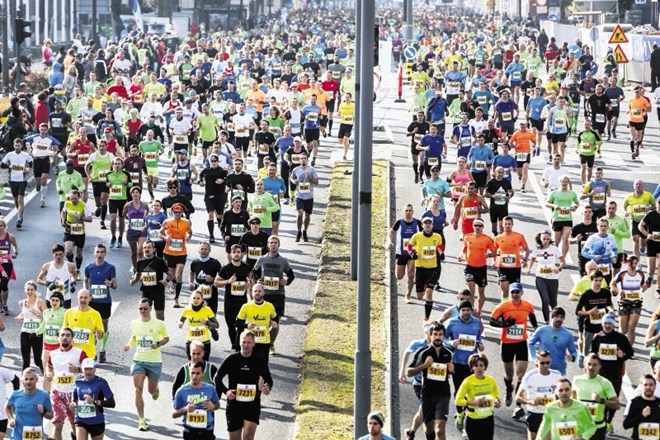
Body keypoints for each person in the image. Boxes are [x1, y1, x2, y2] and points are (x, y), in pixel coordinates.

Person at [215, 331, 273, 440]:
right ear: (239, 343)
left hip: (252, 404)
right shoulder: (231, 360)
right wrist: (226, 391)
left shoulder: (259, 361)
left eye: (249, 342)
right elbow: (217, 378)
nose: (246, 345)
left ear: (253, 344)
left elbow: (268, 378)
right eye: (243, 342)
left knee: (248, 437)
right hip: (234, 405)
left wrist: (268, 386)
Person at [123, 297, 169, 432]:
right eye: (140, 309)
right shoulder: (134, 323)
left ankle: (156, 389)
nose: (142, 311)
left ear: (150, 308)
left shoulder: (159, 324)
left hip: (154, 361)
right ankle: (142, 420)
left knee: (151, 390)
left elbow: (166, 338)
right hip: (139, 360)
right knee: (137, 389)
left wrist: (158, 344)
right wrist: (129, 345)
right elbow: (134, 337)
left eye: (145, 308)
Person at [590, 313, 634, 436]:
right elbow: (591, 354)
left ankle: (609, 421)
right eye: (605, 323)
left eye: (610, 323)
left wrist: (622, 355)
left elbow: (630, 353)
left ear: (613, 324)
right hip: (600, 374)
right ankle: (602, 422)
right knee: (600, 400)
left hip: (615, 374)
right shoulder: (597, 338)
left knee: (613, 401)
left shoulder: (620, 338)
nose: (607, 326)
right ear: (602, 324)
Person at [445, 300, 484, 433]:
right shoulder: (452, 322)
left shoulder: (477, 322)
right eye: (463, 310)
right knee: (459, 389)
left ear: (471, 310)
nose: (466, 312)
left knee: (471, 390)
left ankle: (469, 416)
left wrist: (480, 344)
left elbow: (478, 338)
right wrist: (451, 342)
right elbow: (442, 339)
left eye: (468, 310)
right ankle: (460, 413)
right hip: (457, 362)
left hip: (471, 363)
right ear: (459, 311)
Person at [252, 235, 295, 354]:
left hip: (278, 295)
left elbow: (291, 275)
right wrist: (257, 281)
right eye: (271, 242)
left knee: (276, 322)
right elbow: (254, 273)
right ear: (268, 245)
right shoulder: (261, 259)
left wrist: (286, 281)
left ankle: (270, 344)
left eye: (275, 242)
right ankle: (260, 342)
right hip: (264, 295)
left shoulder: (283, 261)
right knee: (262, 320)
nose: (273, 245)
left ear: (279, 245)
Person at [46, 326, 86, 440]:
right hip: (58, 392)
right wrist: (49, 373)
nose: (65, 337)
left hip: (74, 394)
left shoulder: (79, 353)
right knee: (57, 424)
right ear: (58, 338)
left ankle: (75, 435)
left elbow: (90, 369)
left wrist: (78, 370)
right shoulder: (53, 354)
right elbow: (49, 366)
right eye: (62, 335)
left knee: (76, 425)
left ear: (72, 338)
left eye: (68, 335)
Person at [515, 350, 562, 439]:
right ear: (537, 362)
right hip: (534, 413)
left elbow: (562, 393)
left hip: (550, 413)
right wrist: (530, 401)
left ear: (551, 361)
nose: (545, 365)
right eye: (542, 363)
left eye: (548, 362)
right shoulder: (530, 376)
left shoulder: (557, 375)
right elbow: (518, 397)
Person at [572, 353, 620, 440]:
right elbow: (571, 402)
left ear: (599, 367)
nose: (591, 367)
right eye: (589, 364)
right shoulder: (576, 380)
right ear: (585, 365)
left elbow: (617, 405)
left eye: (594, 365)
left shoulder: (605, 383)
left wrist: (602, 401)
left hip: (597, 427)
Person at [454, 354, 501, 440]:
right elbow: (458, 400)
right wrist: (473, 402)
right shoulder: (467, 381)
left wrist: (497, 402)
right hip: (473, 419)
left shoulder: (491, 380)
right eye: (476, 366)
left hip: (488, 419)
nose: (479, 368)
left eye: (481, 365)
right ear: (472, 368)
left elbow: (496, 395)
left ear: (485, 366)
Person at [83, 244, 116, 364]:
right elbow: (85, 280)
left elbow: (115, 285)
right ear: (94, 253)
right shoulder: (89, 267)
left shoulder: (110, 267)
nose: (100, 254)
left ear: (105, 253)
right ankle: (93, 351)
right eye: (98, 252)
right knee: (92, 327)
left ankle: (103, 349)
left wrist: (110, 284)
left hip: (105, 301)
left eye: (102, 252)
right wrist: (86, 293)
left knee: (104, 326)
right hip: (93, 302)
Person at [407, 217, 444, 322]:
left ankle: (426, 317)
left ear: (432, 225)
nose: (427, 225)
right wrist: (412, 253)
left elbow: (440, 246)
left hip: (433, 269)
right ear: (422, 225)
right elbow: (409, 246)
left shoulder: (437, 236)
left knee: (429, 292)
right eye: (425, 223)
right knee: (419, 296)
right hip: (420, 268)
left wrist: (441, 253)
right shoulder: (416, 236)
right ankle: (424, 286)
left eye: (429, 223)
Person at [69, 358, 115, 440]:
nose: (88, 372)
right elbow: (75, 394)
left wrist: (94, 401)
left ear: (94, 370)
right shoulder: (77, 381)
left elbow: (112, 403)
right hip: (81, 420)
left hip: (97, 422)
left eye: (90, 369)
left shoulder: (101, 382)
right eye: (86, 369)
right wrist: (73, 402)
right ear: (82, 370)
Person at [399, 324, 431, 439]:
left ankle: (411, 432)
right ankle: (413, 432)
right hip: (419, 383)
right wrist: (402, 371)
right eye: (431, 332)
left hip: (435, 385)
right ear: (427, 333)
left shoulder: (441, 344)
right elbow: (407, 353)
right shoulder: (417, 344)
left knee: (425, 410)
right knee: (425, 409)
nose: (434, 335)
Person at [526, 230, 565, 324]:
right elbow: (532, 259)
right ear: (540, 239)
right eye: (544, 239)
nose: (546, 241)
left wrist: (559, 269)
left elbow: (563, 261)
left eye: (548, 239)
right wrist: (529, 269)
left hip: (552, 278)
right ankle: (547, 322)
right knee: (545, 299)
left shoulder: (554, 249)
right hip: (540, 277)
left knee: (553, 302)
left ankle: (554, 321)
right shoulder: (537, 250)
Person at [5, 367, 53, 440]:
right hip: (17, 437)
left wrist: (43, 411)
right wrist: (11, 419)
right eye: (26, 379)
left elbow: (51, 416)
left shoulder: (44, 395)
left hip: (36, 436)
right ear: (23, 381)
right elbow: (7, 407)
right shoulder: (15, 395)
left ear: (36, 380)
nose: (28, 382)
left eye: (31, 379)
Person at [458, 218, 494, 315]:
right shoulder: (467, 237)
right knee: (471, 291)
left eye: (479, 226)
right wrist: (461, 255)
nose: (477, 227)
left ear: (483, 227)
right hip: (469, 267)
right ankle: (471, 311)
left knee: (481, 293)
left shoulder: (487, 239)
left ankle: (479, 311)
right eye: (475, 225)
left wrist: (490, 256)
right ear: (473, 226)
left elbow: (496, 253)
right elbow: (464, 248)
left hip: (481, 268)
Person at [160, 203, 192, 308]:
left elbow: (190, 233)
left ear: (182, 212)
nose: (177, 214)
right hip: (169, 252)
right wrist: (165, 238)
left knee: (178, 274)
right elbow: (160, 233)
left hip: (181, 252)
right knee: (171, 274)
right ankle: (170, 282)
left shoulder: (187, 222)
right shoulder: (167, 221)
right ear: (172, 212)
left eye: (179, 212)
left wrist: (187, 236)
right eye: (175, 212)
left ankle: (176, 299)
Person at [388, 205, 422, 303]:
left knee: (411, 274)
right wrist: (389, 241)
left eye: (410, 210)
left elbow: (423, 234)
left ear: (413, 212)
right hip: (401, 253)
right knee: (399, 276)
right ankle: (407, 291)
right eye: (406, 210)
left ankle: (408, 295)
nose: (408, 212)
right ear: (404, 212)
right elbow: (391, 232)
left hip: (412, 253)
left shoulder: (417, 223)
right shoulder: (399, 222)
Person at [189, 242, 222, 339]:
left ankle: (212, 329)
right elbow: (191, 273)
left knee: (212, 313)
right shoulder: (195, 262)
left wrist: (213, 279)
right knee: (198, 312)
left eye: (205, 249)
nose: (203, 251)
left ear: (209, 250)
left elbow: (221, 276)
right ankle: (200, 333)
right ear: (198, 250)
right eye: (202, 249)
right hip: (198, 291)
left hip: (211, 290)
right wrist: (191, 282)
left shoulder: (215, 262)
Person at [611, 255, 647, 345]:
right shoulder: (622, 274)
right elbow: (612, 284)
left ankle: (629, 349)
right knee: (623, 330)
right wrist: (619, 291)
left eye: (636, 263)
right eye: (632, 263)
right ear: (628, 263)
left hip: (636, 302)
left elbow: (642, 286)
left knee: (631, 327)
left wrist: (644, 287)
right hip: (624, 302)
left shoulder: (640, 274)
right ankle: (620, 346)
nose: (634, 265)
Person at [178, 288, 219, 361]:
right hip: (191, 340)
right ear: (191, 299)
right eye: (194, 298)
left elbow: (217, 325)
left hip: (204, 341)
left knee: (204, 364)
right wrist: (180, 323)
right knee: (191, 364)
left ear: (202, 299)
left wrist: (207, 322)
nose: (196, 300)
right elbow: (181, 320)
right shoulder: (187, 309)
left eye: (198, 298)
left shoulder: (207, 309)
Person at [493, 216, 528, 300]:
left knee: (515, 292)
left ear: (512, 225)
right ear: (502, 225)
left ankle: (514, 307)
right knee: (505, 290)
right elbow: (495, 251)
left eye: (509, 224)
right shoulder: (498, 238)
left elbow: (527, 250)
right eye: (506, 224)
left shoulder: (519, 236)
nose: (507, 226)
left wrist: (525, 260)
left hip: (515, 267)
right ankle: (504, 306)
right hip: (503, 267)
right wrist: (495, 261)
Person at [63, 289, 104, 361]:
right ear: (77, 298)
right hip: (71, 353)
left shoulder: (96, 314)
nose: (83, 300)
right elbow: (63, 333)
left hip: (88, 355)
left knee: (87, 373)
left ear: (90, 299)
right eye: (81, 297)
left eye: (85, 298)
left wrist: (99, 333)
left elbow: (100, 337)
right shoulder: (69, 313)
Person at [38, 291, 66, 393]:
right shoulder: (46, 312)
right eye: (52, 300)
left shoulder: (65, 312)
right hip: (47, 345)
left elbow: (66, 326)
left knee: (58, 372)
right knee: (46, 372)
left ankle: (59, 394)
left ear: (61, 301)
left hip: (58, 346)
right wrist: (35, 333)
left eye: (57, 300)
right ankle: (46, 395)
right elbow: (43, 326)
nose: (54, 302)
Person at [61, 190, 93, 279]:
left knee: (79, 253)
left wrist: (81, 218)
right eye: (72, 198)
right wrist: (63, 222)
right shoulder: (67, 203)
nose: (73, 200)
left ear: (79, 197)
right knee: (68, 251)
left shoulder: (84, 205)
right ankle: (72, 266)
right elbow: (63, 213)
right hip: (69, 229)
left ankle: (78, 270)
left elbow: (90, 219)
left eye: (75, 199)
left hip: (79, 231)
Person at [16, 281, 47, 372]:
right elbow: (24, 314)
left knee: (37, 360)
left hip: (37, 332)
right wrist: (20, 316)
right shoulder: (21, 303)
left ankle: (46, 373)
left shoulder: (40, 302)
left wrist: (37, 314)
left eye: (32, 290)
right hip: (25, 332)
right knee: (25, 361)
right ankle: (24, 380)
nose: (30, 292)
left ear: (35, 291)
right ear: (25, 290)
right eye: (28, 290)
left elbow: (48, 317)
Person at [546, 175, 579, 260]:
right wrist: (554, 205)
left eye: (566, 182)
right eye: (562, 182)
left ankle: (563, 259)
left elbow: (577, 203)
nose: (564, 183)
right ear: (560, 182)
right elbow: (547, 203)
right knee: (556, 241)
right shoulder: (554, 193)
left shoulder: (572, 193)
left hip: (567, 218)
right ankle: (552, 257)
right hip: (557, 218)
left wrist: (575, 207)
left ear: (568, 183)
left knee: (565, 239)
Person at [1, 138, 32, 228]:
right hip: (12, 180)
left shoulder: (25, 155)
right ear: (14, 145)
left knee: (20, 199)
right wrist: (9, 165)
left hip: (22, 180)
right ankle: (20, 213)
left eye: (19, 146)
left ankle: (19, 218)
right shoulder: (10, 154)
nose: (17, 147)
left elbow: (30, 164)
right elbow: (2, 165)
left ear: (21, 146)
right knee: (15, 200)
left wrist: (27, 169)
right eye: (16, 146)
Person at [289, 152, 319, 242]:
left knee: (307, 216)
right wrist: (294, 182)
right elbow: (291, 177)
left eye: (305, 158)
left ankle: (305, 231)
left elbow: (317, 182)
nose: (303, 160)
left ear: (307, 160)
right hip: (299, 196)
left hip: (309, 196)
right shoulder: (296, 169)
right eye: (301, 158)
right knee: (299, 214)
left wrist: (310, 178)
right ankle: (298, 232)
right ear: (299, 160)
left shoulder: (312, 170)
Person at [37, 243, 77, 308]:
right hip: (51, 298)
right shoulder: (47, 266)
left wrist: (73, 282)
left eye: (60, 254)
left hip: (65, 298)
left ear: (63, 254)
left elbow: (74, 275)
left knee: (65, 317)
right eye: (56, 254)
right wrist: (47, 283)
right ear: (53, 255)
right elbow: (38, 279)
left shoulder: (70, 266)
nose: (58, 257)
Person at [581, 217, 618, 285]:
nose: (603, 228)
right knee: (596, 287)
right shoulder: (593, 238)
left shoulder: (611, 237)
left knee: (606, 287)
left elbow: (615, 249)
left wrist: (614, 257)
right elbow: (583, 252)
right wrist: (594, 256)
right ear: (597, 227)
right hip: (595, 267)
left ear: (607, 227)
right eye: (601, 226)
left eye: (605, 226)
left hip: (607, 267)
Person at [624, 179, 655, 259]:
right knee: (635, 239)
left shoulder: (648, 195)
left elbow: (655, 206)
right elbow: (625, 206)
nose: (638, 185)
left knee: (643, 240)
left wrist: (650, 208)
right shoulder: (629, 197)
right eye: (636, 184)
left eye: (640, 184)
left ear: (643, 186)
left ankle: (643, 246)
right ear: (634, 186)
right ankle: (637, 262)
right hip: (634, 220)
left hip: (645, 221)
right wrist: (626, 212)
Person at [623, 374, 660, 440]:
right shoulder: (635, 402)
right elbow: (626, 424)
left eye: (651, 385)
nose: (648, 387)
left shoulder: (658, 403)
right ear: (641, 386)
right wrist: (642, 415)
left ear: (655, 386)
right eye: (645, 385)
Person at [639, 198, 660, 295]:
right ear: (656, 204)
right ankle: (650, 277)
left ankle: (658, 288)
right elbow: (640, 226)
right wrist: (647, 234)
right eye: (659, 203)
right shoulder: (651, 214)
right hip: (651, 242)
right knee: (651, 269)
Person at [485, 168, 514, 236]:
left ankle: (500, 241)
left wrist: (509, 196)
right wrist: (493, 196)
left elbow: (511, 192)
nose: (500, 174)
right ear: (495, 173)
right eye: (499, 172)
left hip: (503, 207)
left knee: (502, 227)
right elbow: (485, 193)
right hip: (494, 207)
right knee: (493, 228)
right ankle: (495, 234)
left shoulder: (506, 182)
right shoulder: (491, 182)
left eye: (502, 172)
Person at [0, 218, 18, 315]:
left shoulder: (10, 236)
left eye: (1, 225)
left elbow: (15, 246)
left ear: (4, 226)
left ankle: (5, 303)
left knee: (4, 285)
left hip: (6, 263)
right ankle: (0, 304)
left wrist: (15, 253)